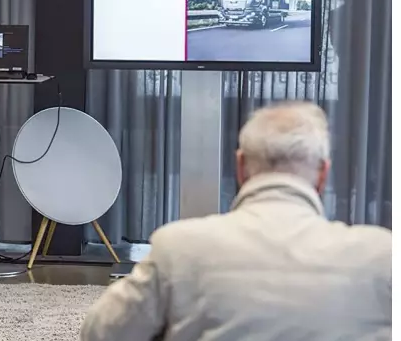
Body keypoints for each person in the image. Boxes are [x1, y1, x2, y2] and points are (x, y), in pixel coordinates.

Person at [80, 101, 391, 341]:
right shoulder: (382, 254)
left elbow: (100, 333)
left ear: (240, 167)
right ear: (323, 174)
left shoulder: (178, 247)